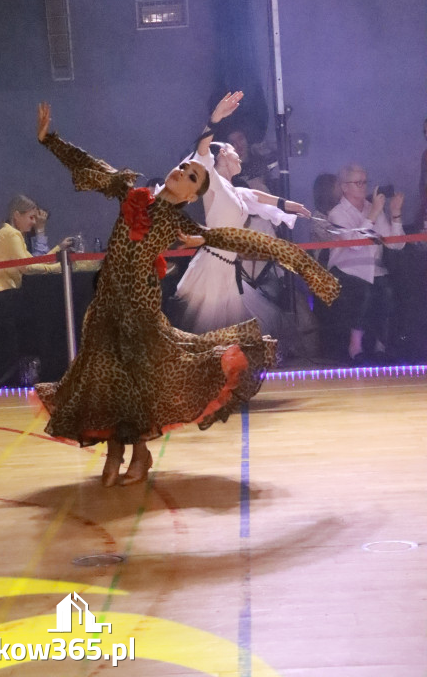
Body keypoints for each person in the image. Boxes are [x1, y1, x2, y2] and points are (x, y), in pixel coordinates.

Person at [34, 96, 340, 487]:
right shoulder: (132, 196)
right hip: (106, 308)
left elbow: (238, 236)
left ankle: (137, 454)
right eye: (182, 168)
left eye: (192, 177)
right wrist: (50, 139)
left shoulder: (178, 223)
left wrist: (309, 269)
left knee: (133, 384)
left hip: (140, 313)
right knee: (102, 381)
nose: (183, 172)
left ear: (191, 196)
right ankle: (115, 453)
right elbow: (91, 167)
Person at [175, 124, 310, 334]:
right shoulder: (214, 184)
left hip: (228, 267)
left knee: (234, 330)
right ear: (221, 156)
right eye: (233, 152)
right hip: (212, 267)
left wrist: (288, 205)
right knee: (212, 329)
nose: (239, 156)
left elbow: (257, 196)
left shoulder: (235, 190)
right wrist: (214, 120)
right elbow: (202, 152)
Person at [327, 164, 404, 362]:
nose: (362, 186)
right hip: (346, 269)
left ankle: (381, 345)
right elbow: (354, 245)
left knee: (388, 290)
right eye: (357, 182)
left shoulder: (373, 208)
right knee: (364, 291)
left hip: (374, 268)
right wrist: (372, 215)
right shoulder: (337, 213)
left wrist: (395, 214)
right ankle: (355, 346)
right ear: (344, 187)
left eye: (365, 182)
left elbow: (397, 245)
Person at [310, 174, 342, 264]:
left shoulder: (341, 210)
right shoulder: (318, 218)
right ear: (329, 189)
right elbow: (337, 239)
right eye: (338, 185)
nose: (342, 188)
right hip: (327, 267)